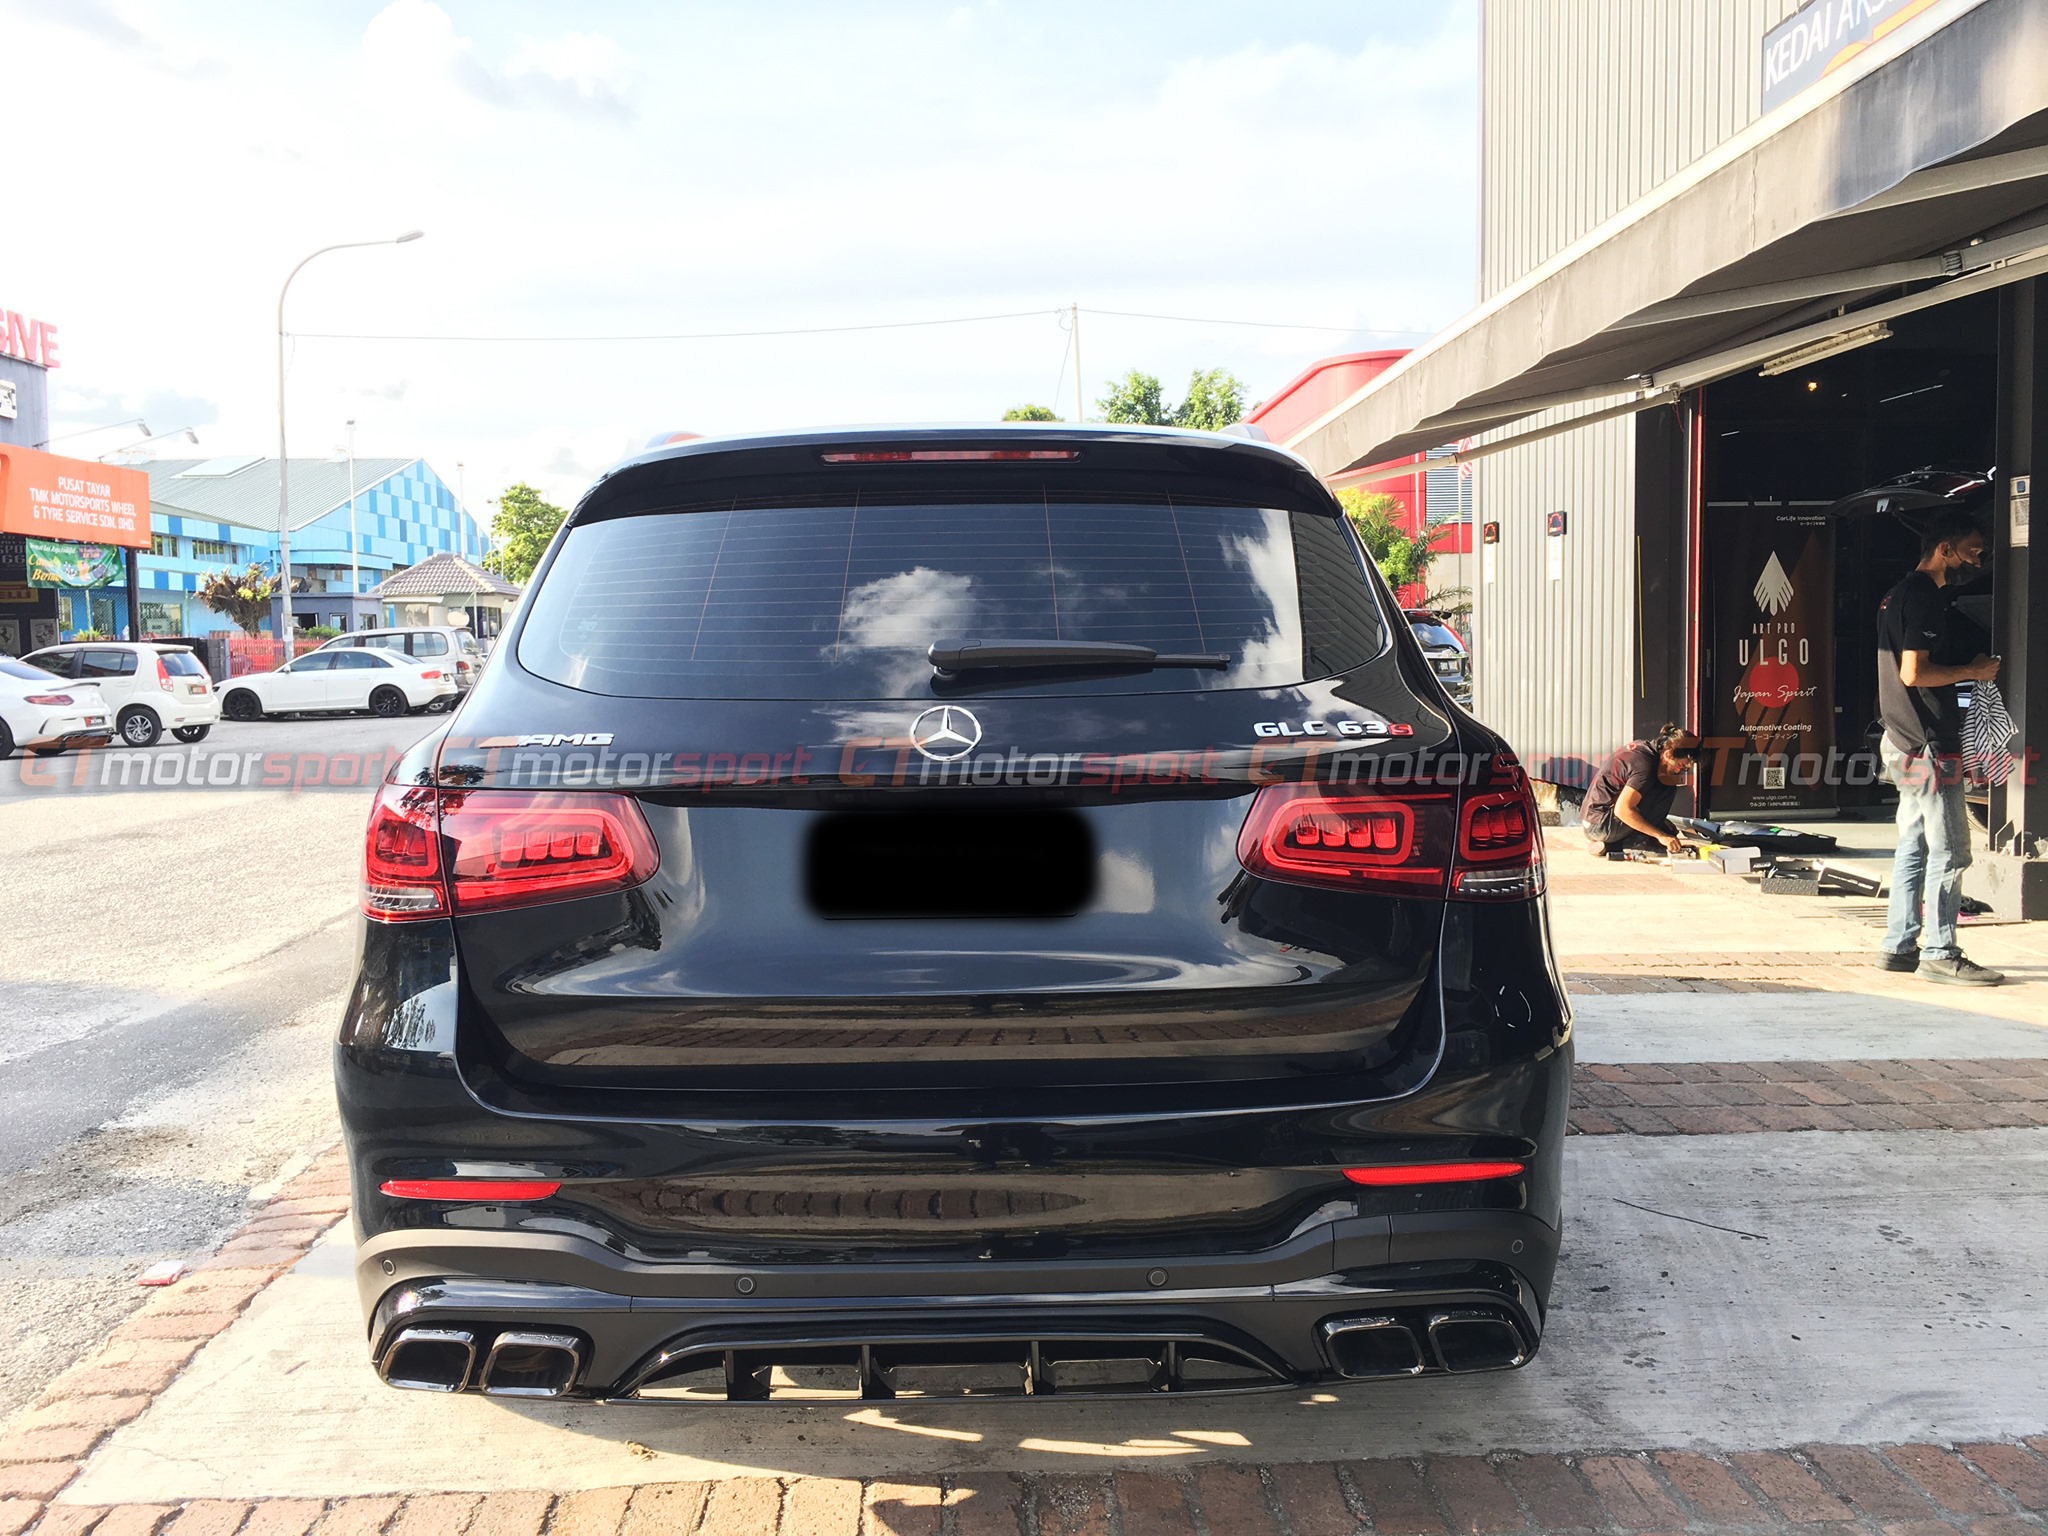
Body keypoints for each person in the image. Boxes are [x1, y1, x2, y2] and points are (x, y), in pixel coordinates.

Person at [1875, 509, 2003, 986]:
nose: (1978, 558)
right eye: (1972, 549)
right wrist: (1973, 672)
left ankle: (1898, 945)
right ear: (1944, 550)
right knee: (1950, 852)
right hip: (1928, 745)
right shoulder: (1924, 599)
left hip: (1901, 738)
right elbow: (1913, 673)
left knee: (1913, 845)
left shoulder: (1895, 595)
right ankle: (1940, 950)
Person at [1580, 723, 1700, 856]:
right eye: (1680, 765)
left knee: (1668, 827)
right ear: (1668, 753)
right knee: (1667, 786)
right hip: (1599, 826)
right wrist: (1659, 835)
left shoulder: (1645, 747)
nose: (1679, 771)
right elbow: (1622, 810)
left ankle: (1614, 845)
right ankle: (1636, 843)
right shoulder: (1644, 766)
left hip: (1595, 820)